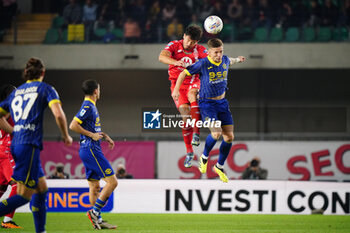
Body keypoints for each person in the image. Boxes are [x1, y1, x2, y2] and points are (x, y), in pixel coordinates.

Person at [0, 57, 73, 233]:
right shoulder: (45, 89)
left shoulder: (16, 94)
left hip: (17, 145)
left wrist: (14, 131)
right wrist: (66, 135)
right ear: (43, 73)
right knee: (24, 194)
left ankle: (41, 231)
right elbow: (59, 114)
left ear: (26, 73)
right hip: (28, 145)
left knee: (41, 189)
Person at [172, 38, 245, 183]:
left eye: (220, 51)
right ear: (209, 52)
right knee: (216, 133)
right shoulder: (203, 63)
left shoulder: (224, 60)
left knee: (229, 137)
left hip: (222, 103)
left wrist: (238, 59)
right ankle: (204, 157)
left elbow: (230, 60)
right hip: (207, 104)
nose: (219, 55)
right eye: (216, 52)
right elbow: (183, 73)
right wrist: (176, 90)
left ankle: (219, 166)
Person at [69, 79, 117, 230]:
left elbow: (93, 129)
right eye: (99, 89)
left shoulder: (92, 107)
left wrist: (104, 135)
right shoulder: (88, 106)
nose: (100, 92)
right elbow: (73, 125)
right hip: (91, 149)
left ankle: (99, 221)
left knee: (95, 186)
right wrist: (91, 135)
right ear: (96, 91)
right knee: (112, 182)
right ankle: (94, 212)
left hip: (89, 148)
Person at [159, 25, 208, 168]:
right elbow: (161, 57)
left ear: (197, 42)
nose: (190, 44)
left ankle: (197, 134)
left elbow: (211, 60)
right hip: (177, 85)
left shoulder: (200, 50)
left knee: (193, 94)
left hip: (194, 81)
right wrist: (175, 62)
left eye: (193, 42)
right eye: (188, 40)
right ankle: (189, 151)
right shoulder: (174, 45)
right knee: (185, 117)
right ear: (184, 36)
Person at [0, 84, 21, 229]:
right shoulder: (7, 107)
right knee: (17, 183)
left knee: (1, 187)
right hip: (6, 150)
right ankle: (7, 220)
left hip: (3, 149)